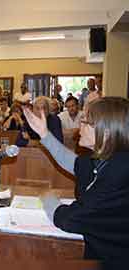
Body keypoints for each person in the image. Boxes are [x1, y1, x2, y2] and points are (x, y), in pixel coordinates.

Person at [23, 96, 129, 260]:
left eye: (86, 122)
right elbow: (73, 163)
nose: (81, 126)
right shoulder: (104, 159)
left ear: (106, 133)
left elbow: (71, 220)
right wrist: (44, 134)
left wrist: (49, 201)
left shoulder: (118, 173)